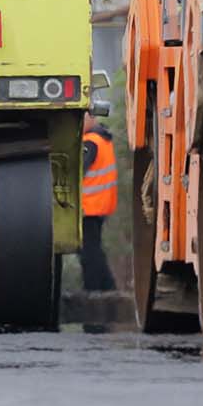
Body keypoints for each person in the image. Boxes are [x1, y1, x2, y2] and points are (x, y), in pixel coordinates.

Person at [78, 113, 118, 293]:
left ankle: (93, 292)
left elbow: (77, 171)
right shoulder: (103, 139)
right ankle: (108, 289)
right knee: (94, 251)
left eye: (82, 117)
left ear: (91, 118)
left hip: (89, 207)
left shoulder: (90, 142)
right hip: (99, 206)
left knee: (89, 254)